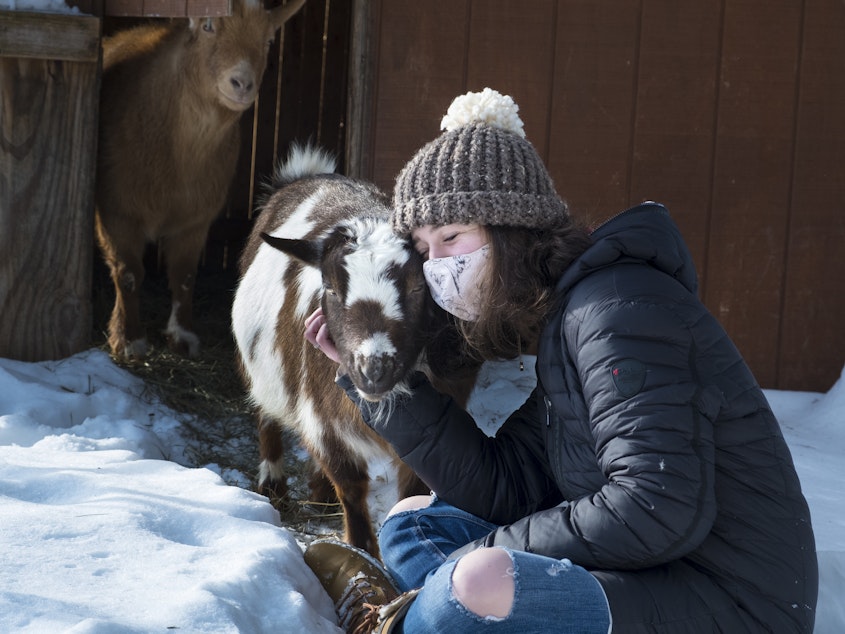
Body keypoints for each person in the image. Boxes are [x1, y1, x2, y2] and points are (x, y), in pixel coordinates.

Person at [302, 88, 818, 633]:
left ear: (511, 231)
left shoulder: (618, 311)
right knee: (412, 527)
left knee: (476, 580)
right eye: (425, 251)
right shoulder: (566, 319)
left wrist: (482, 557)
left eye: (452, 238)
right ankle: (431, 610)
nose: (437, 268)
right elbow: (512, 484)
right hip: (651, 569)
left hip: (730, 601)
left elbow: (656, 503)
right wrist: (383, 388)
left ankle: (386, 622)